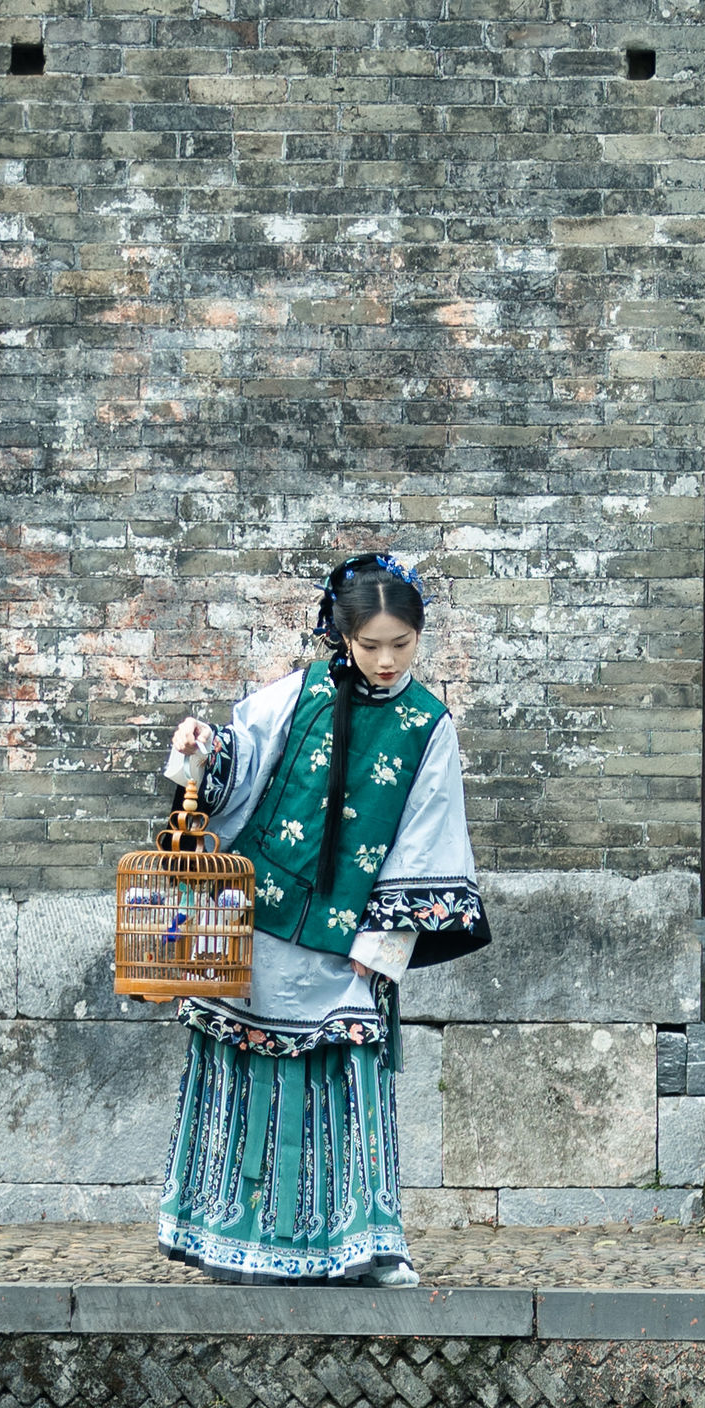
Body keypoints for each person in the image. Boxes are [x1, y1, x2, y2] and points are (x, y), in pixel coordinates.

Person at [155, 547, 489, 1286]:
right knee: (247, 1073)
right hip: (257, 919)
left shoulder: (428, 725)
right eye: (370, 646)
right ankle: (230, 1239)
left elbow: (428, 831)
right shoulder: (296, 693)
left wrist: (388, 939)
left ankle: (364, 1247)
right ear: (340, 637)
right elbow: (235, 759)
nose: (386, 660)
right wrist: (198, 748)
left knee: (349, 1076)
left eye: (401, 645)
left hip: (352, 935)